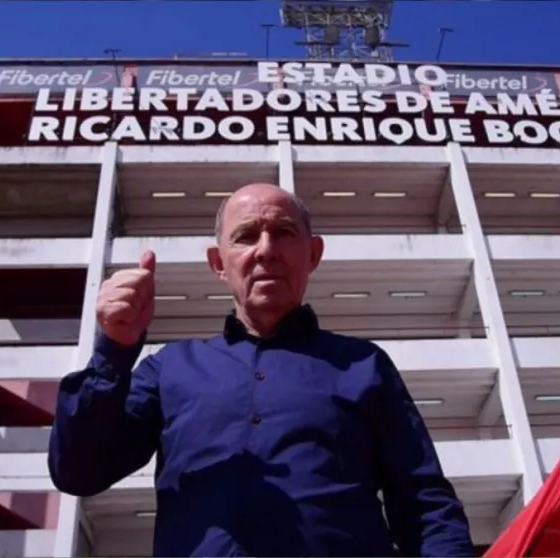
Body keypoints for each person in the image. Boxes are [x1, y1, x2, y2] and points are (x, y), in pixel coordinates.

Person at [48, 183, 475, 557]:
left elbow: (421, 502)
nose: (266, 249)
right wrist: (114, 352)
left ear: (313, 254)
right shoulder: (170, 369)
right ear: (219, 263)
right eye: (246, 236)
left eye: (284, 232)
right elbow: (79, 471)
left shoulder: (363, 365)